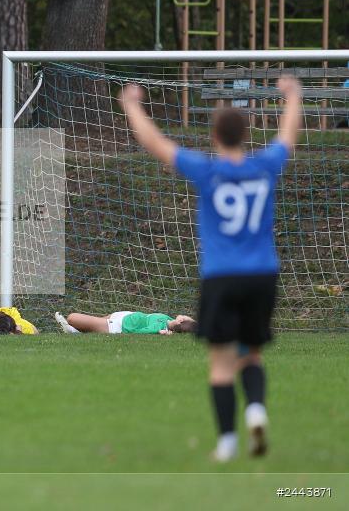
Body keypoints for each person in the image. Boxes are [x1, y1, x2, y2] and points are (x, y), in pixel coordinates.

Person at [119, 75, 303, 462]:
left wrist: (132, 105)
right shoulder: (264, 166)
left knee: (220, 364)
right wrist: (293, 96)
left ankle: (227, 443)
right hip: (262, 275)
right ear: (246, 135)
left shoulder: (208, 171)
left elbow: (155, 144)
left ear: (215, 138)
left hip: (221, 275)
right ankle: (256, 410)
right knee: (251, 354)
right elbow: (287, 136)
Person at [55, 311, 196, 335]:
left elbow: (136, 332)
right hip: (123, 316)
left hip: (118, 326)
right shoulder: (166, 319)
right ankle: (76, 332)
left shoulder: (160, 327)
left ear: (181, 320)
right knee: (87, 324)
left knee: (72, 318)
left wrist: (158, 332)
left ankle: (73, 331)